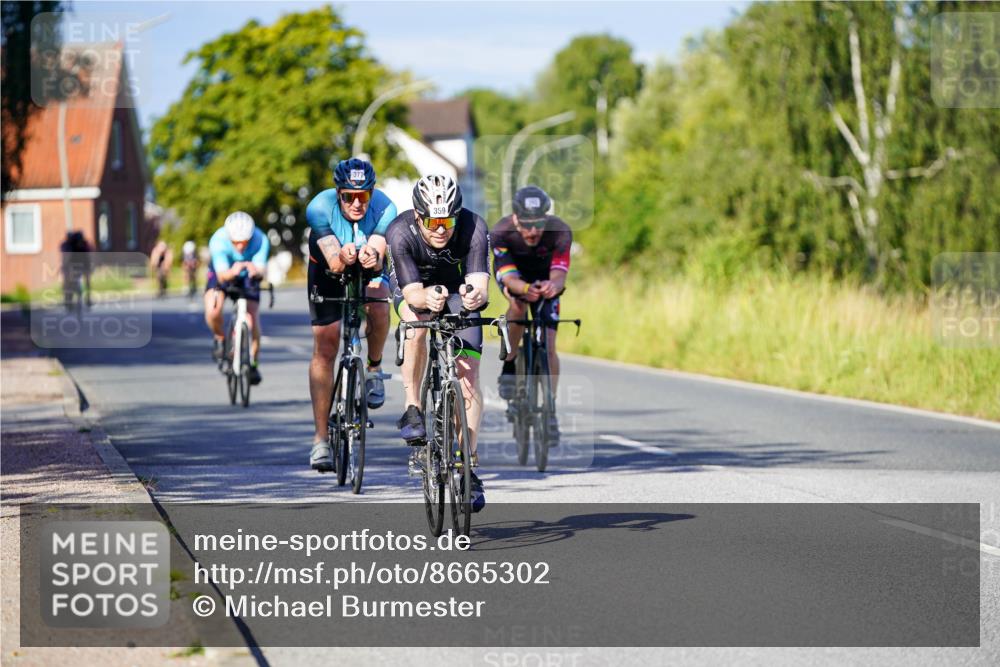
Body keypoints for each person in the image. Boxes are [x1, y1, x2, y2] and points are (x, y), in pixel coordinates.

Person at [387, 174, 490, 512]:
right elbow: (412, 293)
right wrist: (426, 297)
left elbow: (480, 284)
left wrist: (474, 297)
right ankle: (413, 408)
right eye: (433, 221)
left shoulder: (474, 227)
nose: (441, 229)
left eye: (448, 221)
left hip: (457, 289)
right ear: (418, 216)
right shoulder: (400, 232)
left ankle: (468, 466)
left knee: (469, 376)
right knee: (415, 323)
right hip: (414, 286)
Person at [305, 158, 396, 473]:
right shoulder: (319, 207)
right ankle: (320, 440)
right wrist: (343, 256)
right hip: (327, 267)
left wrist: (373, 256)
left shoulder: (385, 207)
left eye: (363, 196)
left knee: (379, 303)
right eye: (349, 196)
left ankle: (374, 367)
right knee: (326, 344)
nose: (357, 204)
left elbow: (379, 250)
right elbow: (334, 263)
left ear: (372, 193)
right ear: (338, 193)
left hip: (366, 263)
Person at [491, 185, 572, 443]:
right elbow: (510, 278)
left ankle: (550, 409)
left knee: (549, 345)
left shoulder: (560, 231)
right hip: (516, 278)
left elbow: (559, 275)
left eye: (538, 223)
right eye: (527, 224)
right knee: (518, 307)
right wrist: (526, 289)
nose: (533, 231)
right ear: (516, 218)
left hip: (545, 279)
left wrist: (552, 286)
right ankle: (510, 364)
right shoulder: (501, 232)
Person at [204, 212, 270, 385]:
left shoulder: (261, 239)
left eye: (245, 241)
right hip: (224, 272)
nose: (240, 246)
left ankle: (253, 362)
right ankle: (220, 337)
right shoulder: (218, 240)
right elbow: (221, 276)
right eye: (235, 242)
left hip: (248, 274)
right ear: (229, 237)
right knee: (213, 310)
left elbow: (262, 271)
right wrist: (232, 271)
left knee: (253, 316)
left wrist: (256, 272)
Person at [60, 230, 92, 312]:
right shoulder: (69, 245)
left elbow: (88, 256)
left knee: (71, 283)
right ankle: (70, 301)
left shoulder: (82, 244)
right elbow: (66, 257)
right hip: (76, 265)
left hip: (80, 265)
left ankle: (85, 299)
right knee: (70, 282)